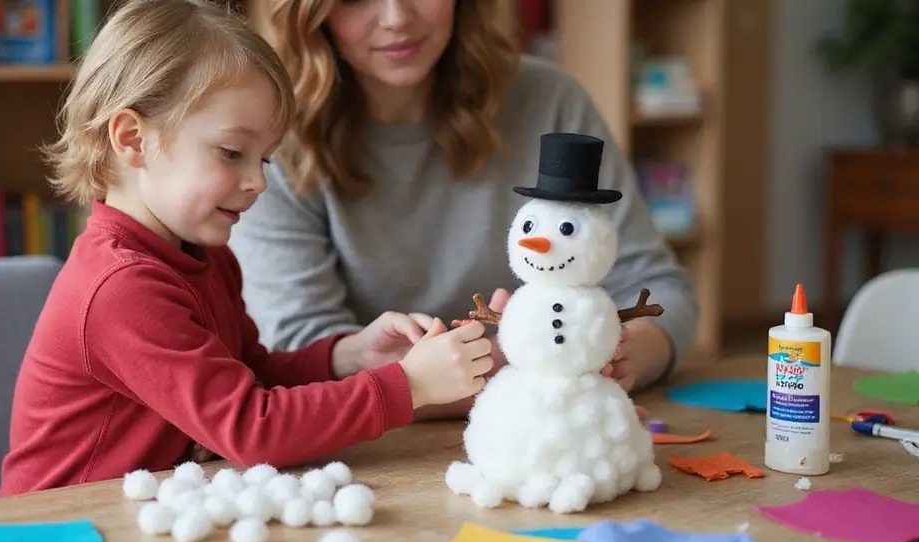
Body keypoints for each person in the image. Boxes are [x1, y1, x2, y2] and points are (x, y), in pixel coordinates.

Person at [0, 0, 494, 496]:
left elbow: (251, 375)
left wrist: (353, 356)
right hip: (60, 526)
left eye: (265, 160)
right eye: (232, 153)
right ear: (132, 139)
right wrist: (409, 385)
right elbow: (253, 430)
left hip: (147, 510)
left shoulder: (205, 257)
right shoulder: (121, 287)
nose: (257, 182)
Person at [229, 0, 699, 420]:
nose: (396, 17)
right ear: (311, 12)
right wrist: (524, 367)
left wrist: (617, 355)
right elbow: (300, 349)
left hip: (558, 424)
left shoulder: (550, 100)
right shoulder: (273, 135)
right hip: (383, 452)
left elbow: (660, 289)